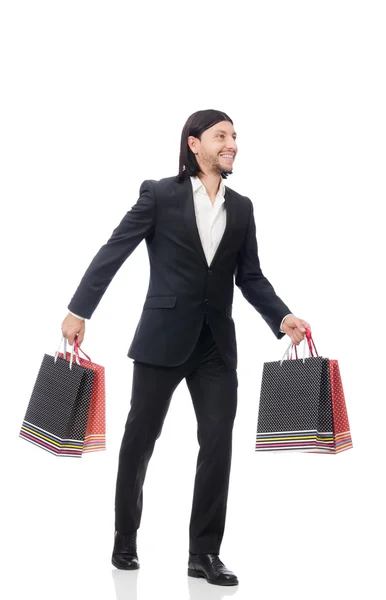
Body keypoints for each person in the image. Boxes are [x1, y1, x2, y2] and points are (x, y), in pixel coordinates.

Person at [61, 109, 311, 587]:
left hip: (216, 345)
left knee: (217, 445)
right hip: (161, 339)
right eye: (222, 135)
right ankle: (124, 537)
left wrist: (282, 317)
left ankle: (204, 554)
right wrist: (79, 310)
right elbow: (114, 250)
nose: (232, 143)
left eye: (235, 136)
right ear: (194, 143)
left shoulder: (242, 207)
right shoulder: (159, 195)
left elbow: (250, 276)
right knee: (140, 441)